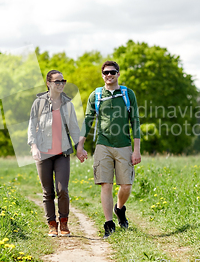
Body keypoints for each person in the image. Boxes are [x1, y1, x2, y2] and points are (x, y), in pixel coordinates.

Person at [76, 61, 141, 239]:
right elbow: (88, 120)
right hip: (103, 145)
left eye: (112, 72)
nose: (109, 75)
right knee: (106, 184)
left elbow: (135, 121)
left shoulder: (128, 94)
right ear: (102, 75)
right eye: (106, 73)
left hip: (124, 145)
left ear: (118, 74)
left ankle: (119, 209)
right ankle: (109, 224)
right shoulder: (96, 95)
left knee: (126, 185)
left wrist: (137, 150)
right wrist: (80, 145)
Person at [28, 70, 81, 237]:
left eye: (63, 81)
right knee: (47, 191)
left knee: (62, 189)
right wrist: (33, 146)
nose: (61, 84)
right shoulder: (38, 103)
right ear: (48, 84)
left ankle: (63, 222)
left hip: (62, 153)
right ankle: (52, 224)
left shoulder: (68, 104)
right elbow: (31, 126)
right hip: (43, 153)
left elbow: (74, 128)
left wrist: (80, 147)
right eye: (57, 81)